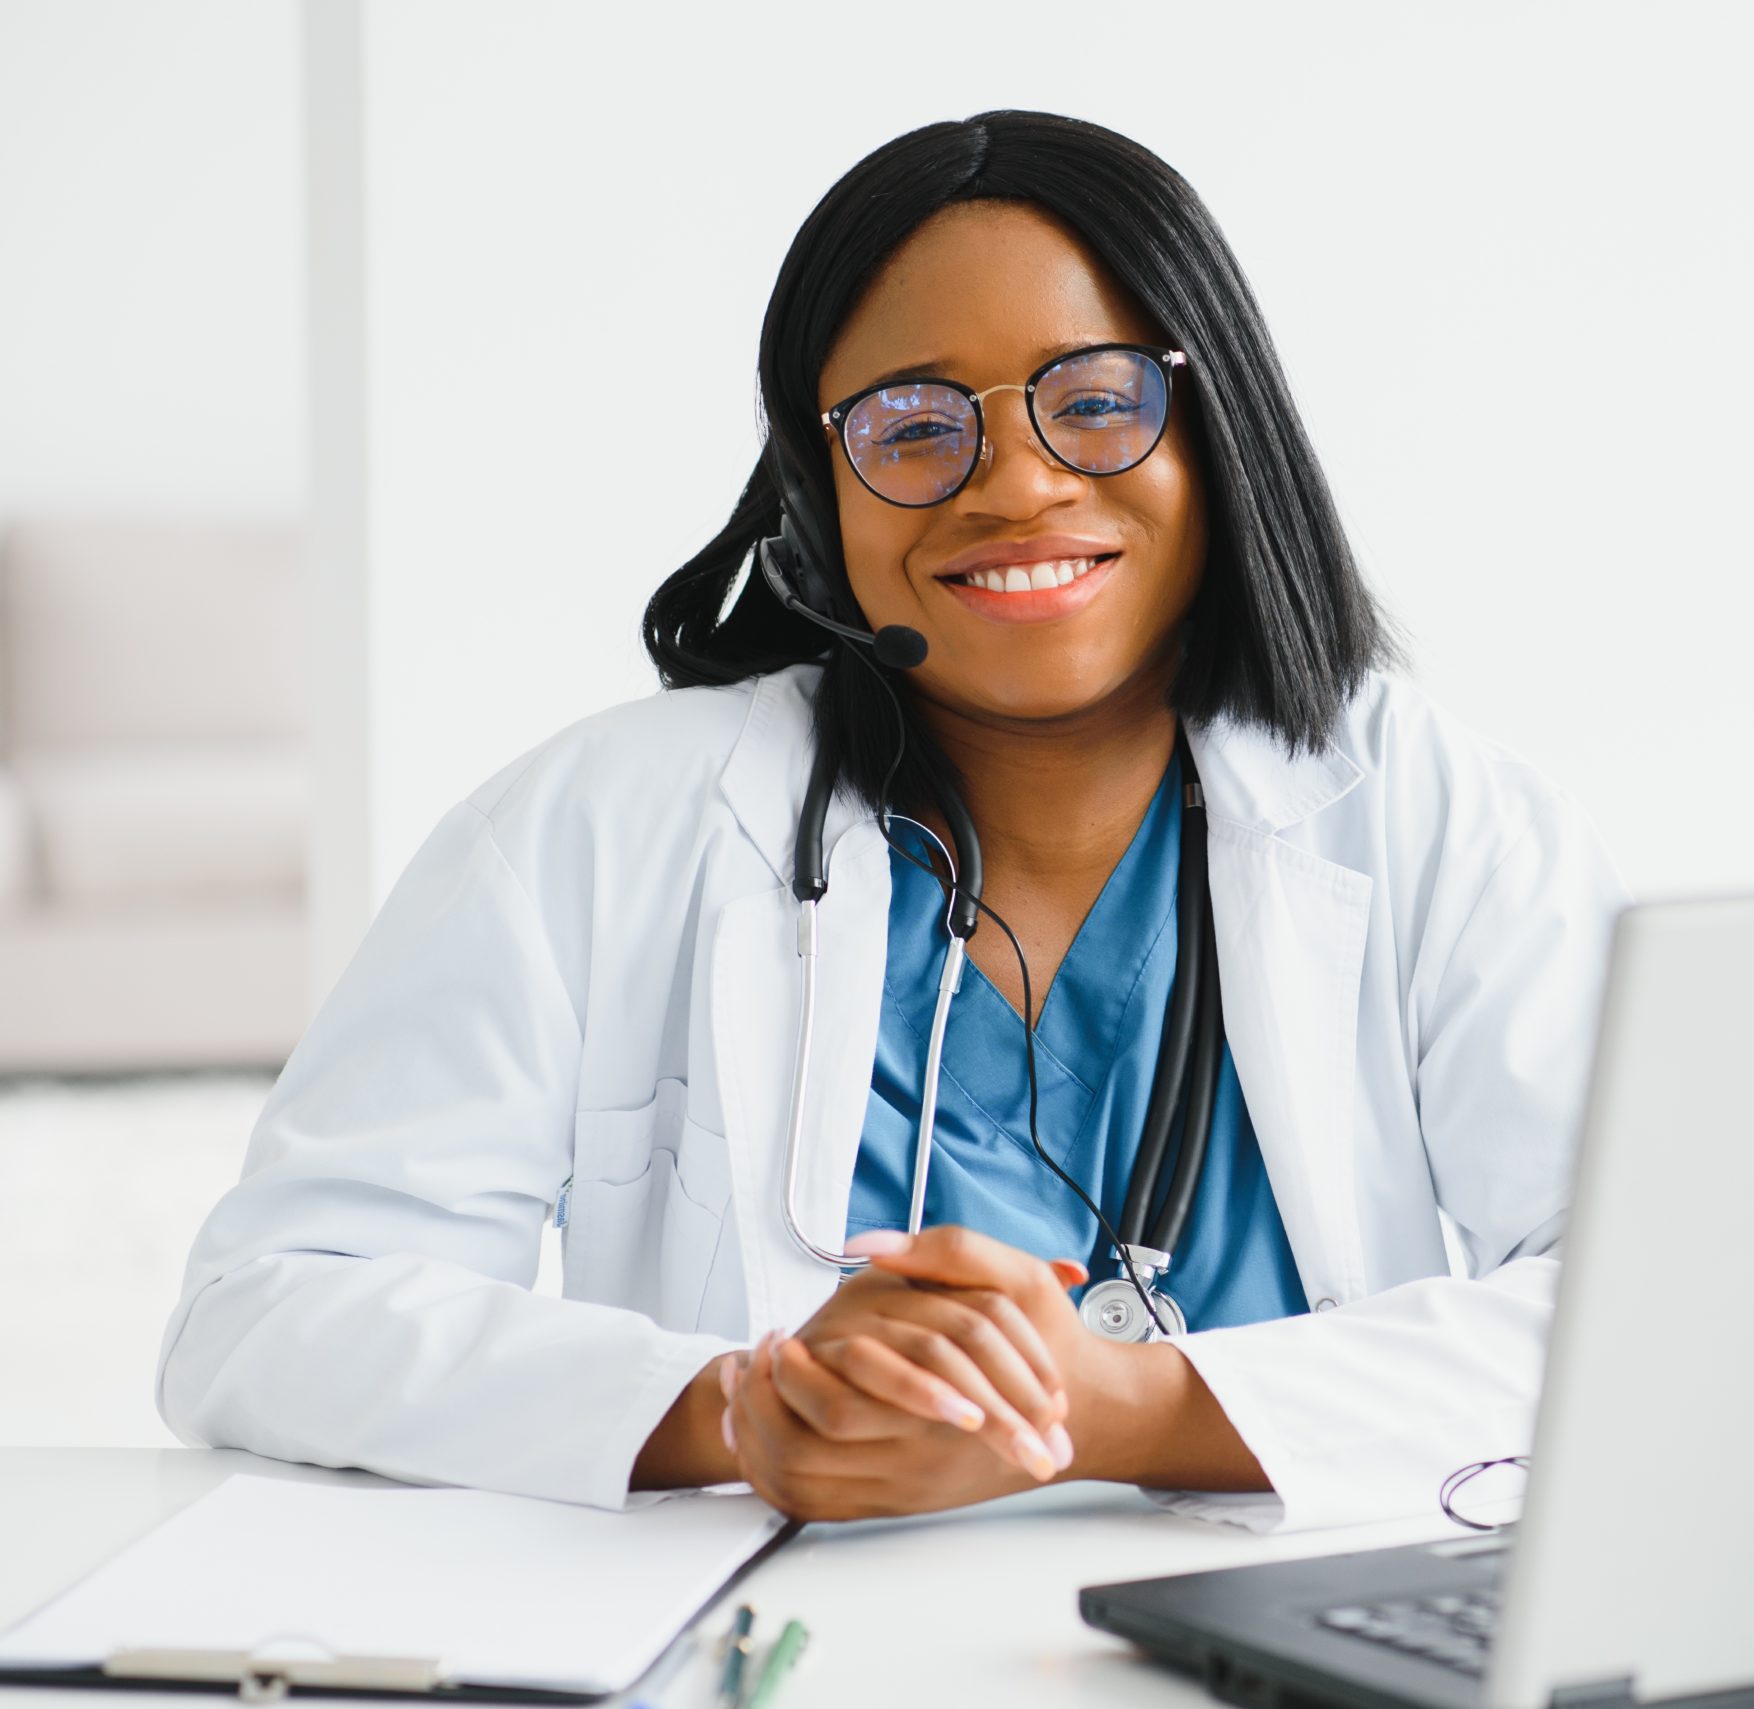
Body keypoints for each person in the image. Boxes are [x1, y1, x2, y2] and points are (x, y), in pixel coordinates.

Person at [158, 110, 1624, 1532]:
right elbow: (268, 1308)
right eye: (915, 427)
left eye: (1098, 401)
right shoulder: (600, 827)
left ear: (1221, 428)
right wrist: (737, 1408)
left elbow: (1641, 1305)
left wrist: (1113, 1408)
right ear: (817, 492)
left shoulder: (1432, 818)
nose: (1019, 485)